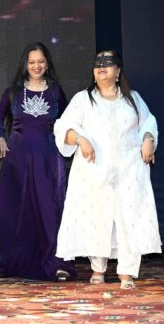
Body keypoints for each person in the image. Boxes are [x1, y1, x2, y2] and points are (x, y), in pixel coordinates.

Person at [54, 50, 160, 289]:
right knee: (96, 217)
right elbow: (62, 127)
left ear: (118, 70)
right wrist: (80, 139)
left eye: (108, 63)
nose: (101, 66)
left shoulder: (133, 99)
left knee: (129, 218)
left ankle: (127, 272)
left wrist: (148, 139)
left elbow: (149, 123)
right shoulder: (83, 99)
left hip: (129, 171)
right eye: (97, 63)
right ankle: (98, 268)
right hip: (94, 172)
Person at [0, 43, 76, 281]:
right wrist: (0, 137)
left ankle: (58, 262)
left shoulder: (55, 91)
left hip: (48, 157)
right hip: (19, 158)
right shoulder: (14, 91)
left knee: (50, 208)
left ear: (47, 64)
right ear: (25, 65)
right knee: (18, 208)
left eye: (41, 62)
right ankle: (14, 259)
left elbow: (69, 120)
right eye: (32, 62)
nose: (37, 66)